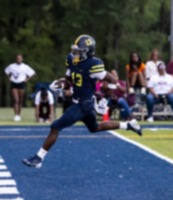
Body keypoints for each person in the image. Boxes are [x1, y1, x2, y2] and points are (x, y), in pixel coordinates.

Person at [22, 35, 142, 168]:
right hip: (81, 103)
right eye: (75, 50)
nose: (76, 53)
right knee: (95, 127)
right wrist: (60, 84)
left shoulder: (93, 65)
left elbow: (113, 80)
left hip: (83, 104)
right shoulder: (72, 60)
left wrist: (106, 99)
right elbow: (69, 82)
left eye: (79, 50)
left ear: (87, 51)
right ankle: (129, 125)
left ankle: (38, 158)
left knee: (55, 127)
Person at [4, 54, 35, 121]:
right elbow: (6, 71)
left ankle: (19, 114)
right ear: (16, 59)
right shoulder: (12, 66)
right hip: (14, 83)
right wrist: (9, 78)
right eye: (17, 58)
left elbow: (32, 73)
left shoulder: (25, 67)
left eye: (20, 58)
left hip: (21, 83)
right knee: (16, 100)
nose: (19, 59)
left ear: (22, 59)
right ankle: (16, 115)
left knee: (20, 100)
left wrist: (27, 80)